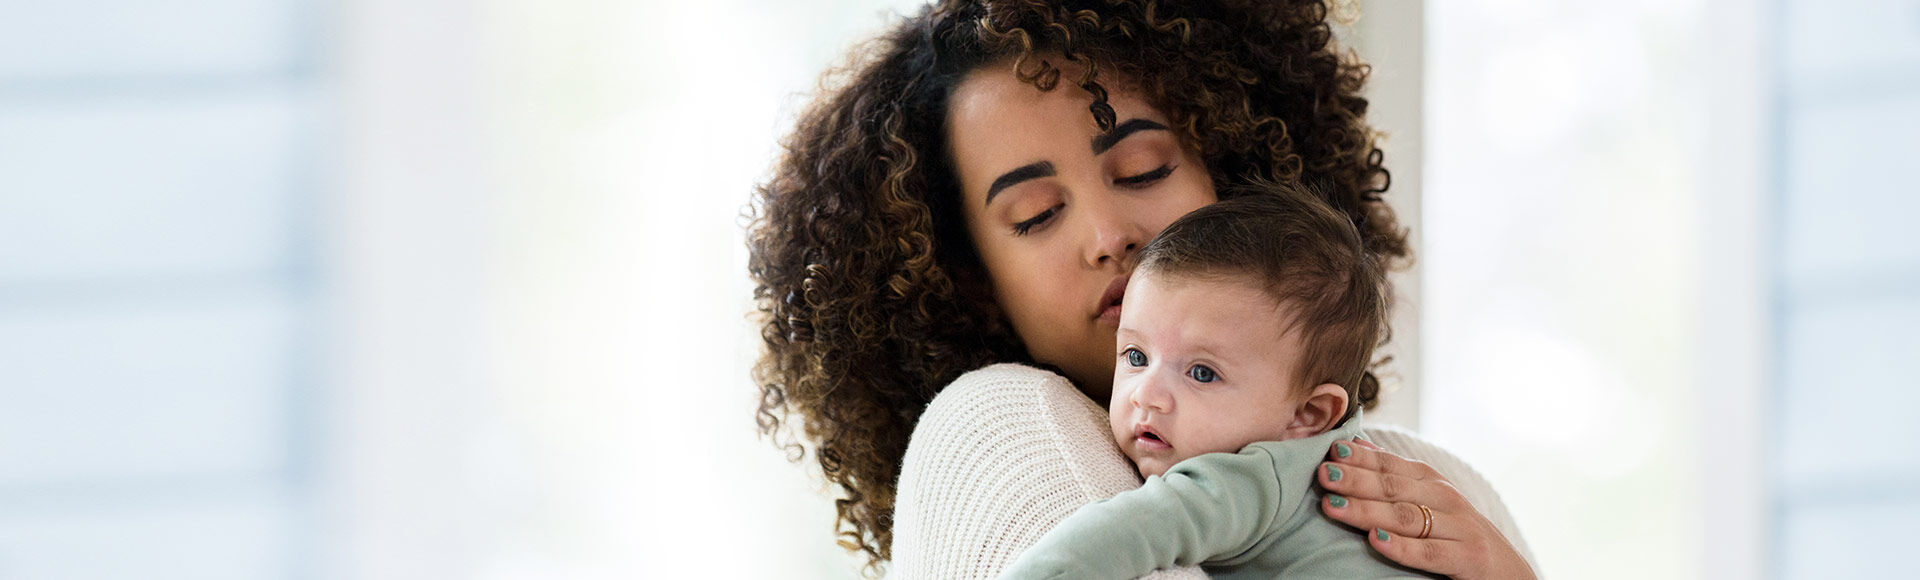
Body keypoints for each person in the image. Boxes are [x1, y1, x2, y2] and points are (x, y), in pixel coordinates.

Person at [746, 1, 1537, 578]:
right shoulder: (998, 428)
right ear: (972, 285)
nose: (1109, 236)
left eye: (1143, 170)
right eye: (1037, 215)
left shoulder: (1431, 490)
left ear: (1235, 174)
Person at [997, 187, 1436, 579]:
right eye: (1136, 356)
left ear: (1308, 414)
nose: (1146, 393)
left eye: (1202, 373)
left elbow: (1123, 534)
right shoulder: (1332, 463)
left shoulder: (1244, 477)